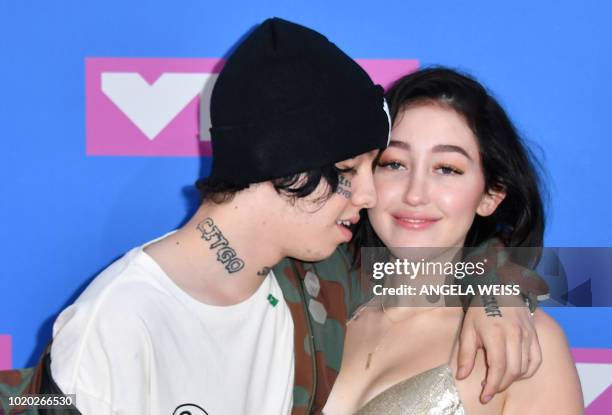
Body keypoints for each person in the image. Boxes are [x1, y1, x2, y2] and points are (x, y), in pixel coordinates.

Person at [0, 20, 546, 415]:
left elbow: (571, 275)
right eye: (356, 168)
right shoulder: (119, 318)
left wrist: (499, 291)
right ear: (285, 162)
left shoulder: (318, 280)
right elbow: (37, 398)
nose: (373, 194)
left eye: (447, 170)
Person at [322, 68, 583, 414]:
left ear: (491, 194)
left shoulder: (524, 343)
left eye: (447, 169)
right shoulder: (320, 312)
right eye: (395, 164)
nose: (415, 194)